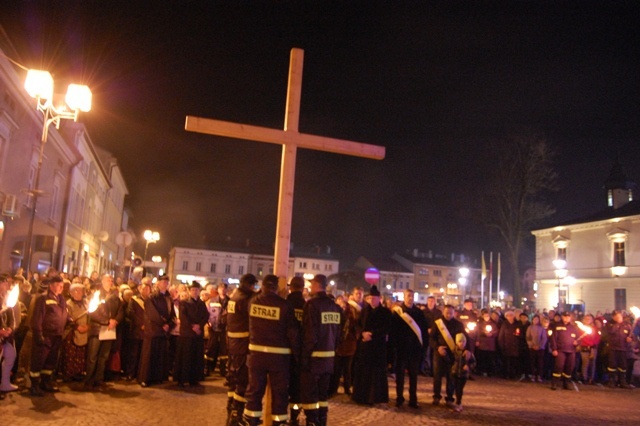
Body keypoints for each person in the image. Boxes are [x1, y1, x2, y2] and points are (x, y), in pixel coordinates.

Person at [241, 274, 299, 426]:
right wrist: (299, 356)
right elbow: (292, 333)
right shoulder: (285, 305)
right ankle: (278, 423)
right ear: (277, 287)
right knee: (280, 394)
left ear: (263, 285)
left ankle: (250, 422)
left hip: (256, 356)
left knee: (254, 392)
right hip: (279, 359)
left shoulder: (253, 302)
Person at [299, 274, 341, 426]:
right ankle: (322, 421)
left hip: (314, 359)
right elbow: (338, 334)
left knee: (310, 395)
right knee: (323, 396)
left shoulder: (312, 305)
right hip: (329, 359)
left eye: (311, 284)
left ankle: (311, 422)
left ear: (317, 284)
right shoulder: (334, 306)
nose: (310, 287)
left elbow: (310, 334)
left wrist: (304, 357)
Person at [29, 275, 69, 396]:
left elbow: (64, 312)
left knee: (50, 361)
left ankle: (45, 382)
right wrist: (39, 334)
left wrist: (69, 319)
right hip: (45, 336)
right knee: (39, 360)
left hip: (57, 335)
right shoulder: (43, 298)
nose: (61, 287)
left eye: (62, 285)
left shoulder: (61, 299)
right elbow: (37, 318)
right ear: (51, 285)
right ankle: (34, 385)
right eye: (58, 285)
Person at [351, 285, 391, 405]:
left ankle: (375, 397)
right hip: (365, 347)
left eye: (374, 298)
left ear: (379, 299)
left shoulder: (385, 312)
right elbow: (357, 325)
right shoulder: (364, 310)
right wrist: (362, 333)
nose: (372, 300)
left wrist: (372, 335)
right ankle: (361, 396)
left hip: (377, 347)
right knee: (363, 372)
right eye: (370, 298)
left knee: (376, 374)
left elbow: (387, 328)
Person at [389, 288, 428, 408]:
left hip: (415, 349)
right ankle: (399, 398)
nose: (410, 298)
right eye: (408, 296)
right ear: (404, 297)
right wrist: (393, 347)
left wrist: (423, 347)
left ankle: (413, 399)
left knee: (413, 376)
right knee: (400, 376)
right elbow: (393, 331)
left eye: (412, 296)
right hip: (401, 348)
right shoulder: (398, 312)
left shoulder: (419, 313)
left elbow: (423, 331)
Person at [226, 273, 257, 426]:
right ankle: (237, 414)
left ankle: (231, 407)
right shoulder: (245, 299)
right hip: (242, 343)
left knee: (233, 376)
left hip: (233, 342)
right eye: (253, 286)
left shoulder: (234, 296)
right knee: (242, 378)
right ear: (249, 285)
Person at [84, 274, 123, 391]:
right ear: (102, 281)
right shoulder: (95, 295)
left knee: (103, 357)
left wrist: (115, 321)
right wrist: (106, 321)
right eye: (108, 280)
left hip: (109, 330)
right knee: (93, 357)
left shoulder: (115, 297)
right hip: (97, 329)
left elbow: (121, 311)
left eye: (112, 280)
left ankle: (99, 380)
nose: (110, 282)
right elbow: (92, 312)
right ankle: (89, 381)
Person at [138, 275, 175, 387]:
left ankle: (158, 377)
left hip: (163, 331)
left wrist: (169, 324)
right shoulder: (151, 297)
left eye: (166, 282)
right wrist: (162, 324)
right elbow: (152, 313)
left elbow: (172, 313)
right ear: (158, 283)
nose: (165, 284)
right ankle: (145, 378)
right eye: (163, 282)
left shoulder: (169, 297)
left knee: (160, 355)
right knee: (149, 355)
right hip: (153, 330)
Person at [173, 281, 209, 387]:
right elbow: (183, 317)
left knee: (196, 357)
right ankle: (182, 378)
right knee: (185, 357)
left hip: (197, 335)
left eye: (196, 290)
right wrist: (193, 327)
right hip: (187, 334)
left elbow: (206, 316)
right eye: (192, 290)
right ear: (189, 291)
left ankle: (194, 378)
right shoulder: (184, 303)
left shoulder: (201, 303)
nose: (194, 292)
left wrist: (200, 325)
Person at [430, 304, 465, 408]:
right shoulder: (438, 323)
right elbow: (432, 338)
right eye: (447, 312)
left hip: (453, 353)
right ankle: (436, 396)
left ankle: (449, 398)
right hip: (439, 352)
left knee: (451, 376)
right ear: (443, 312)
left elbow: (464, 338)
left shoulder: (458, 324)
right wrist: (438, 347)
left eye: (451, 313)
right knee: (437, 376)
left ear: (454, 313)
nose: (448, 315)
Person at [286, 276, 306, 425]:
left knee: (281, 387)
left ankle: (279, 417)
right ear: (303, 288)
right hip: (300, 354)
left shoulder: (286, 304)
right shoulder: (306, 306)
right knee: (296, 389)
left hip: (283, 353)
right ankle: (294, 418)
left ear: (290, 287)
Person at [59, 282, 89, 381]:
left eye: (81, 290)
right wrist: (77, 327)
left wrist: (88, 326)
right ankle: (68, 373)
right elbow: (68, 318)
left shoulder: (86, 303)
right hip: (72, 332)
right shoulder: (68, 304)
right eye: (77, 290)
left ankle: (78, 372)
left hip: (85, 331)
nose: (80, 292)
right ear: (72, 292)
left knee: (80, 354)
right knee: (70, 353)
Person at [124, 278, 151, 381]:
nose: (145, 291)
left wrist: (147, 325)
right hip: (136, 330)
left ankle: (140, 374)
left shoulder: (151, 301)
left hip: (147, 332)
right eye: (143, 289)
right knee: (133, 354)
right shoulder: (134, 299)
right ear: (140, 289)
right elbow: (130, 313)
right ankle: (130, 373)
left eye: (147, 289)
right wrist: (141, 324)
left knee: (143, 355)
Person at [549, 311, 579, 390]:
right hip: (560, 350)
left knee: (569, 367)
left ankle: (566, 383)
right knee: (558, 367)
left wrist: (577, 342)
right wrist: (554, 349)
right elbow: (553, 339)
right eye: (565, 317)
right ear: (562, 317)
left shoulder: (573, 328)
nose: (566, 318)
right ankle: (555, 383)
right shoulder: (557, 326)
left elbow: (578, 338)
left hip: (571, 351)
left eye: (568, 317)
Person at [205, 282, 230, 378]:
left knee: (224, 350)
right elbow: (207, 313)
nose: (222, 290)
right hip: (213, 328)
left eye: (224, 288)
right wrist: (208, 322)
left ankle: (223, 369)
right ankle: (208, 367)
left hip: (224, 329)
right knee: (211, 348)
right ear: (218, 290)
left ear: (227, 290)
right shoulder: (212, 301)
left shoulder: (230, 301)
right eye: (221, 288)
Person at [605, 310, 633, 389]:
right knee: (612, 365)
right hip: (613, 348)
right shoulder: (609, 324)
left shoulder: (627, 325)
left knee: (623, 366)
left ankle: (622, 381)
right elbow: (611, 332)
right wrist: (617, 324)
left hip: (623, 348)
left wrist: (629, 338)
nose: (618, 318)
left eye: (619, 316)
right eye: (616, 316)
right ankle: (611, 381)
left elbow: (631, 335)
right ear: (613, 317)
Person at [0, 274, 18, 393]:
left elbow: (12, 318)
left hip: (7, 337)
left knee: (11, 356)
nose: (7, 285)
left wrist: (11, 328)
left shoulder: (7, 298)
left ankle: (5, 383)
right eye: (5, 283)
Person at [450, 333, 476, 412]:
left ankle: (458, 402)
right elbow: (450, 360)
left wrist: (469, 367)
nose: (462, 343)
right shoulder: (454, 351)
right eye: (460, 341)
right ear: (456, 342)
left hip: (463, 374)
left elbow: (473, 362)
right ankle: (456, 401)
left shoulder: (468, 353)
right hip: (454, 372)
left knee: (459, 389)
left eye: (463, 342)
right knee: (454, 387)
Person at [577, 314, 600, 385]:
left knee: (592, 364)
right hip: (584, 347)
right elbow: (581, 338)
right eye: (586, 318)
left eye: (589, 319)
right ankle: (584, 378)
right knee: (585, 363)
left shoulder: (595, 328)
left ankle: (591, 378)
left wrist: (593, 346)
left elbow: (597, 338)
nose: (587, 320)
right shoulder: (581, 328)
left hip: (593, 348)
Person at [497, 310, 520, 379]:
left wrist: (517, 335)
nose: (510, 317)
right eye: (508, 316)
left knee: (513, 361)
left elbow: (520, 333)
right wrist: (501, 344)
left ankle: (512, 374)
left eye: (511, 315)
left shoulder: (517, 324)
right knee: (506, 361)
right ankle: (506, 374)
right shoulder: (504, 324)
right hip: (506, 345)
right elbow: (501, 335)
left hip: (515, 345)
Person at [476, 309, 498, 377]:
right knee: (482, 357)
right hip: (483, 342)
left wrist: (492, 334)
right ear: (483, 316)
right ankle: (482, 371)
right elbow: (478, 332)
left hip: (490, 343)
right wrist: (484, 334)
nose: (487, 317)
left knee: (490, 358)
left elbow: (496, 331)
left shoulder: (493, 324)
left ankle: (490, 371)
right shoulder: (480, 324)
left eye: (488, 316)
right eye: (485, 316)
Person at [526, 314, 547, 383]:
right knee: (532, 362)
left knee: (540, 362)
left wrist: (540, 346)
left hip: (540, 348)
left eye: (537, 319)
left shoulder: (542, 328)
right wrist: (532, 345)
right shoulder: (530, 328)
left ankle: (539, 375)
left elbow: (544, 338)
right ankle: (533, 375)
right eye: (534, 319)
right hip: (532, 348)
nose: (535, 321)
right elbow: (528, 337)